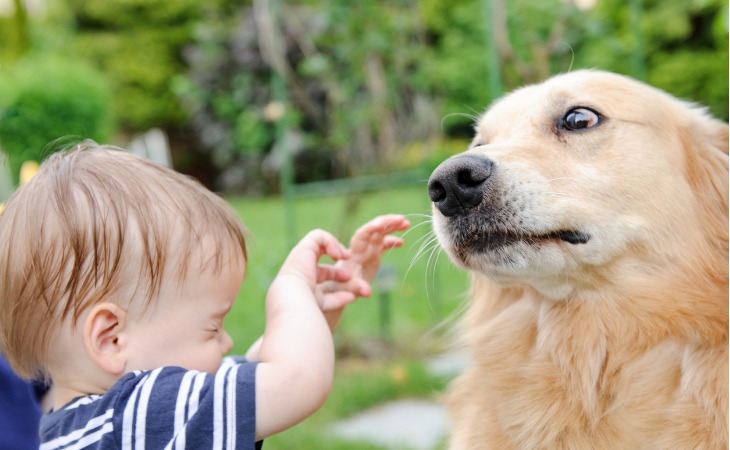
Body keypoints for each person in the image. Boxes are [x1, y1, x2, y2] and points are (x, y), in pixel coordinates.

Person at [0, 142, 410, 449]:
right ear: (111, 337)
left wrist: (312, 312)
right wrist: (291, 291)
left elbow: (254, 370)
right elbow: (296, 380)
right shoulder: (137, 417)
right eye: (212, 326)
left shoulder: (82, 427)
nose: (227, 341)